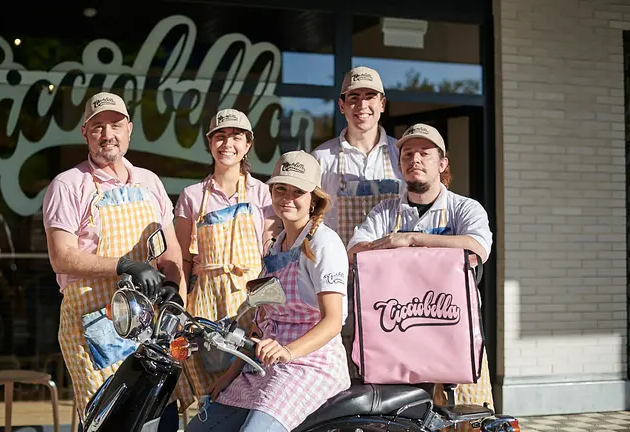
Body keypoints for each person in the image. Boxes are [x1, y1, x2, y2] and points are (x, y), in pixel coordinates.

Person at [42, 92, 186, 430]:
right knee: (109, 421)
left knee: (157, 417)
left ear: (129, 129)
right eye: (98, 127)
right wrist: (125, 265)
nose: (108, 135)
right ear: (85, 133)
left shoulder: (149, 182)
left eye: (115, 125)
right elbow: (61, 257)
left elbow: (170, 251)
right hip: (96, 324)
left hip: (147, 324)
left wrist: (172, 286)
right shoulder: (68, 185)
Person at [185, 151, 351, 432]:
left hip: (310, 366)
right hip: (266, 365)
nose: (287, 198)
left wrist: (287, 351)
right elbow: (260, 324)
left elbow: (333, 321)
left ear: (314, 198)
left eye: (298, 191)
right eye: (280, 189)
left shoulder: (325, 243)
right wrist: (230, 375)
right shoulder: (275, 246)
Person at [346, 123, 494, 410]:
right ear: (400, 164)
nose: (415, 160)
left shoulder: (465, 208)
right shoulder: (384, 212)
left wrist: (411, 239)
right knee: (403, 420)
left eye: (424, 153)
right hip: (397, 339)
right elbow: (355, 252)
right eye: (408, 154)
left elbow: (477, 248)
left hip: (455, 334)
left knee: (465, 418)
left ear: (442, 163)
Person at [173, 109, 280, 412]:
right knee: (208, 392)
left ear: (248, 145)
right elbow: (182, 259)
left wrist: (268, 309)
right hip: (204, 303)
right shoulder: (192, 196)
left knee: (247, 385)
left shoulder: (263, 194)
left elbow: (270, 254)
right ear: (210, 143)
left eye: (236, 137)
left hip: (249, 302)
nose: (227, 144)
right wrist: (179, 307)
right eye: (220, 136)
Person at [311, 65, 403, 378]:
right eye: (353, 97)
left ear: (382, 104)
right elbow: (310, 221)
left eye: (369, 97)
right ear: (341, 105)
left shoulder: (402, 155)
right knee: (343, 360)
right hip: (341, 280)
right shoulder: (322, 158)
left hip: (394, 280)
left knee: (391, 358)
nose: (361, 105)